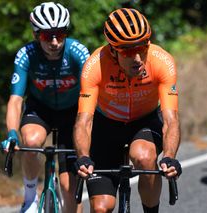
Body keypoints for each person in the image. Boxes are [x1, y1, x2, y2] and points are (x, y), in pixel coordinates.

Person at [73, 8, 182, 213]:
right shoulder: (95, 66)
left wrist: (169, 156)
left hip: (145, 122)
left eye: (142, 47)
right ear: (113, 50)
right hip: (107, 125)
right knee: (101, 208)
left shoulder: (162, 61)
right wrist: (83, 157)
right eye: (128, 51)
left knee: (144, 156)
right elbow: (84, 121)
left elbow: (171, 119)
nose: (138, 57)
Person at [1, 2, 89, 213]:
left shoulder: (78, 53)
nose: (55, 41)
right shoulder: (26, 55)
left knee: (70, 187)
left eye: (60, 34)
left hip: (72, 113)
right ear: (35, 34)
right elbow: (15, 100)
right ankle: (30, 198)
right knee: (30, 143)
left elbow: (92, 95)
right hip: (41, 109)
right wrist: (12, 134)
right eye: (47, 36)